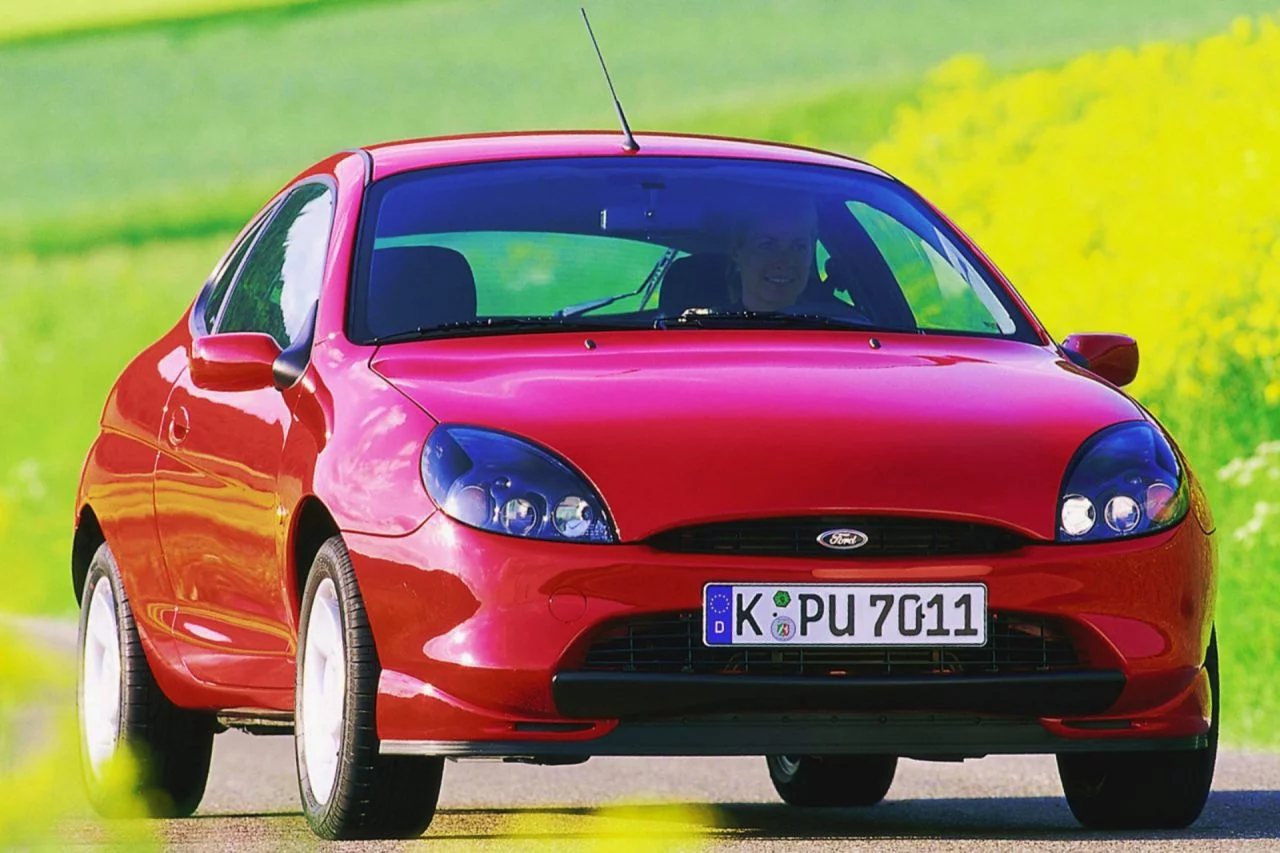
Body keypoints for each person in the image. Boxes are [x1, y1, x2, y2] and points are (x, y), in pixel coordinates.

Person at [727, 193, 819, 312]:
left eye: (798, 247)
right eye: (767, 245)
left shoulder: (841, 319)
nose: (784, 261)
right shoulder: (707, 328)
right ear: (736, 251)